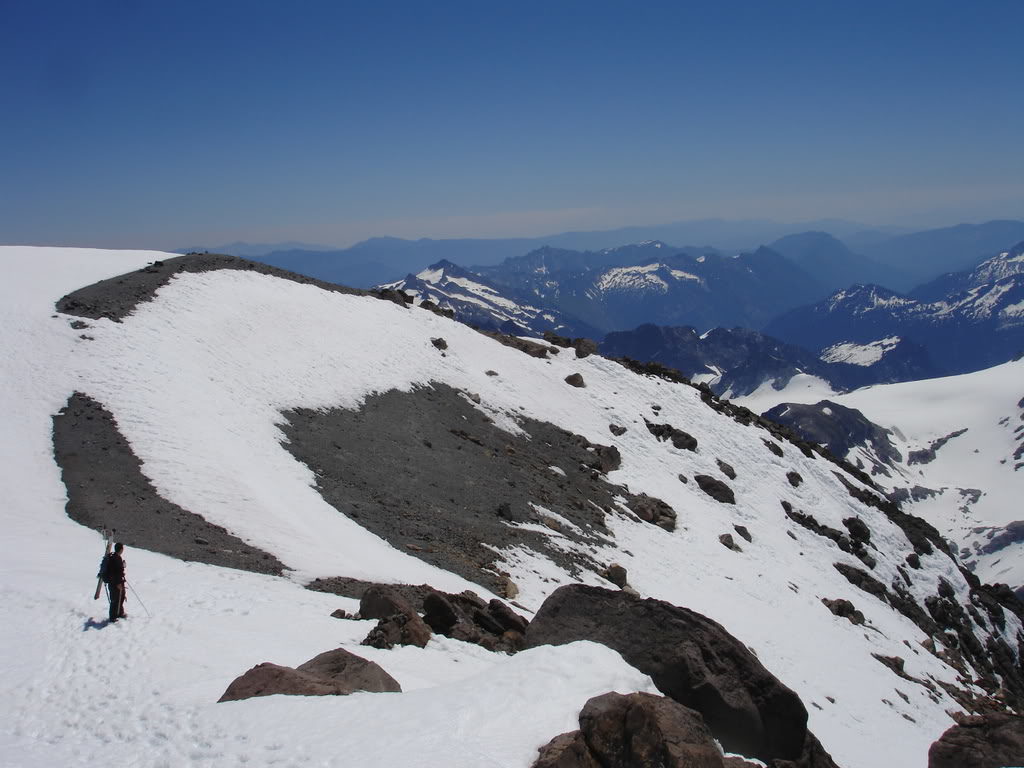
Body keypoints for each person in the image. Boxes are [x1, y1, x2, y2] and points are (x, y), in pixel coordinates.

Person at [100, 543, 127, 622]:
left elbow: (118, 570)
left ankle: (119, 613)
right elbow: (115, 572)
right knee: (115, 600)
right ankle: (113, 617)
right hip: (115, 583)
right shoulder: (115, 559)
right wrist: (118, 583)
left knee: (120, 597)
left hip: (116, 582)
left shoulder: (115, 557)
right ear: (121, 549)